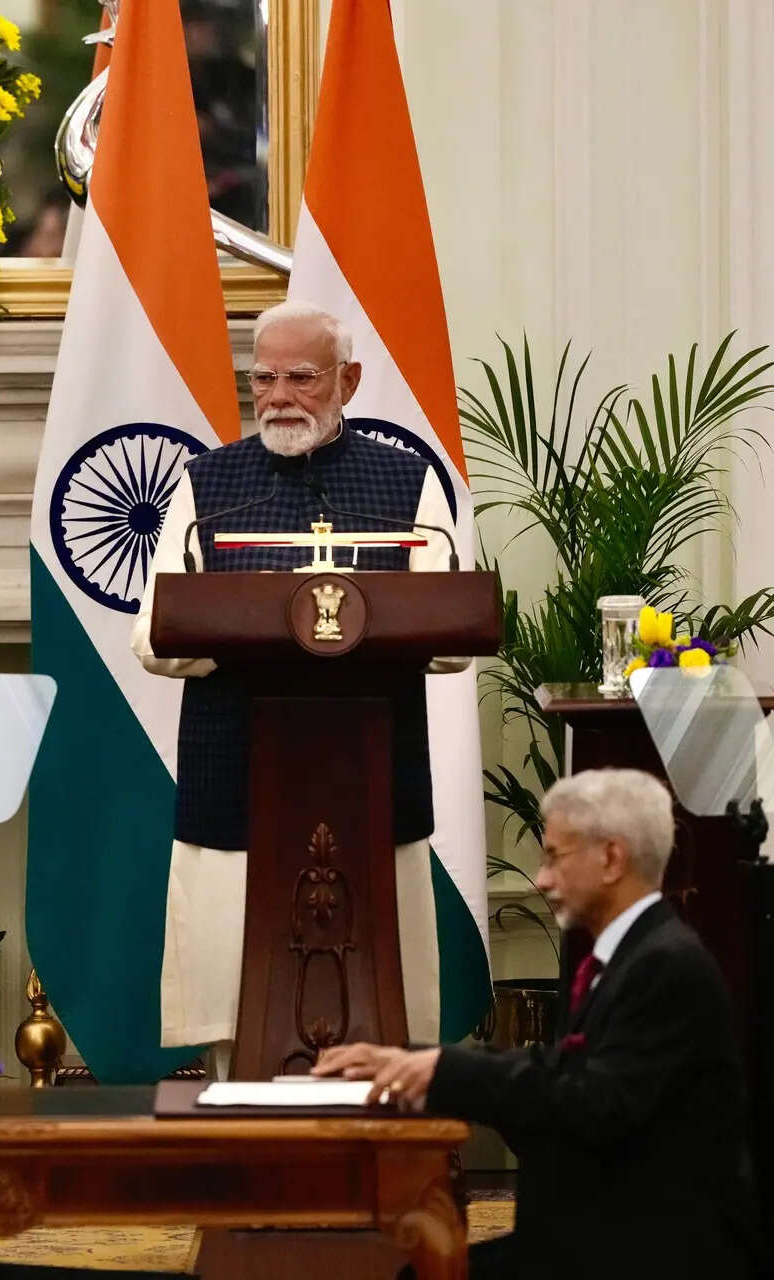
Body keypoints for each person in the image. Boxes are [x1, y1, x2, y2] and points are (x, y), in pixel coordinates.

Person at [131, 299, 464, 1064]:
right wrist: (250, 636)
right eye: (264, 378)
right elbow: (152, 636)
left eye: (302, 378)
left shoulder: (406, 482)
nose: (278, 397)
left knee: (383, 1006)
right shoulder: (209, 484)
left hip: (370, 782)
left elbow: (450, 634)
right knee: (238, 1014)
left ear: (349, 381)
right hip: (236, 778)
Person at [315, 769, 764, 1278]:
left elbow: (591, 1104)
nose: (541, 879)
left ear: (611, 859)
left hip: (648, 1250)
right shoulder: (637, 955)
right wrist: (417, 1061)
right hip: (606, 1232)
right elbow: (562, 1073)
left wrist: (444, 1071)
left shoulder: (665, 966)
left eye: (554, 857)